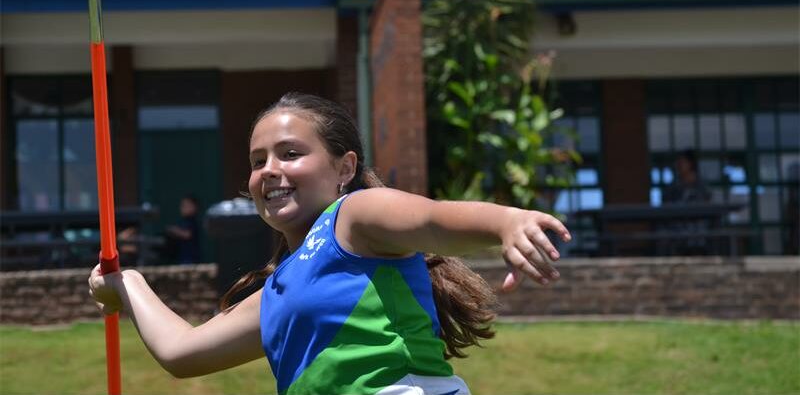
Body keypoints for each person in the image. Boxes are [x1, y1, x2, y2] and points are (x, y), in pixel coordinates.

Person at [89, 92, 571, 394]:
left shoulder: (354, 216)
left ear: (345, 168)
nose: (269, 170)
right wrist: (126, 283)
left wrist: (506, 221)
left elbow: (433, 218)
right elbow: (183, 352)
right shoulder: (280, 291)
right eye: (258, 161)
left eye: (290, 153)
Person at [164, 195, 202, 265]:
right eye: (183, 206)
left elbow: (187, 234)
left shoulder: (192, 221)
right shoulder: (183, 221)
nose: (183, 208)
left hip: (191, 259)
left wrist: (175, 230)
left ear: (194, 207)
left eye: (187, 206)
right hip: (182, 258)